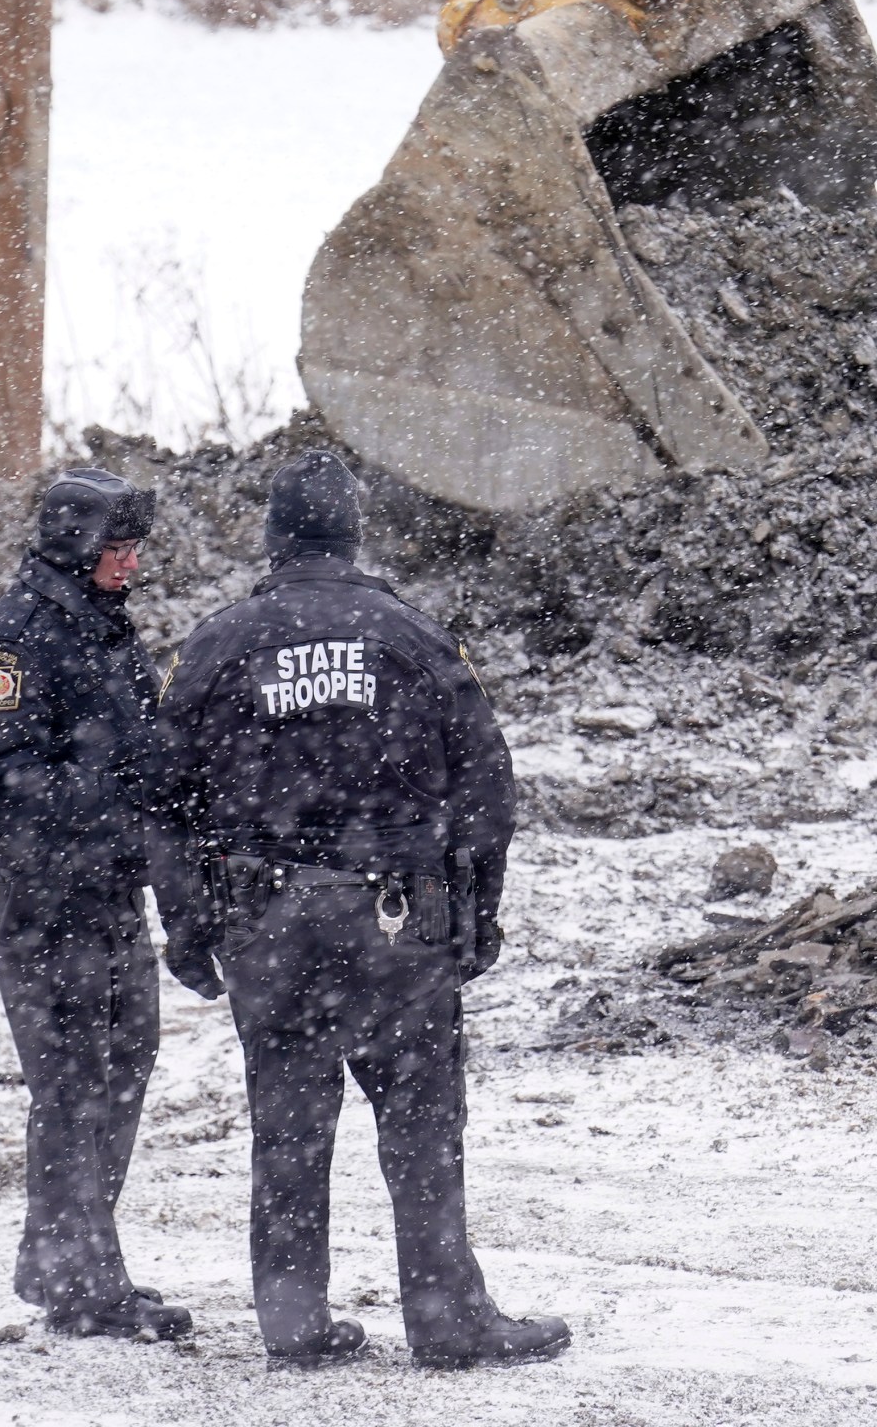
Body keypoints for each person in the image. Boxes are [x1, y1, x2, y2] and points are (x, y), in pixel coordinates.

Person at [150, 449, 568, 1369]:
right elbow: (487, 787)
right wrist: (477, 911)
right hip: (392, 921)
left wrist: (185, 924)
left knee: (289, 1123)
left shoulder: (218, 645)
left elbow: (165, 797)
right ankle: (448, 1318)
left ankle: (293, 1318)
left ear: (273, 535)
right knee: (421, 1122)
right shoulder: (413, 636)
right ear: (352, 530)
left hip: (266, 923)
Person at [0, 467, 192, 1341]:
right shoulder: (19, 639)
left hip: (105, 891)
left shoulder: (101, 628)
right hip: (45, 899)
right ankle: (81, 1280)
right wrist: (116, 800)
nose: (131, 563)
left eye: (134, 548)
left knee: (123, 1065)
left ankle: (62, 1260)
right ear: (76, 545)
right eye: (119, 547)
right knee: (73, 1086)